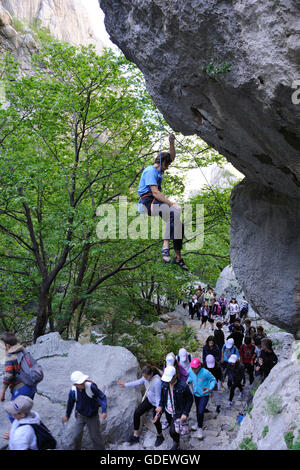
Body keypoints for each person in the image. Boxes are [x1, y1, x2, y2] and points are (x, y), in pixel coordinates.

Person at [137, 134, 187, 270]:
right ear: (162, 163)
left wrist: (171, 142)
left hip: (154, 200)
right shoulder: (150, 171)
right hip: (147, 201)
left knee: (179, 224)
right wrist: (172, 203)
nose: (168, 167)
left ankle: (178, 257)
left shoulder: (159, 171)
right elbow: (155, 193)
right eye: (167, 165)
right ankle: (165, 247)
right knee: (172, 213)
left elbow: (172, 156)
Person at [118, 365, 163, 447]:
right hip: (149, 399)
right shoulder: (145, 377)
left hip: (157, 403)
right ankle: (136, 436)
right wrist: (125, 384)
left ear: (151, 373)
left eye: (146, 377)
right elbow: (138, 382)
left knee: (156, 421)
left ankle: (160, 436)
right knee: (137, 413)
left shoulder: (157, 382)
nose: (145, 378)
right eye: (144, 376)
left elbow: (158, 397)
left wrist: (157, 413)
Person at [62, 370, 107, 450]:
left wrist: (104, 411)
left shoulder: (91, 387)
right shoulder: (73, 391)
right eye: (81, 383)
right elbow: (70, 404)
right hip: (80, 415)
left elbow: (102, 397)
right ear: (75, 384)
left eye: (83, 381)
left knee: (95, 437)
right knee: (76, 436)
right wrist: (67, 415)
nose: (83, 384)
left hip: (92, 416)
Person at [154, 366, 193, 450]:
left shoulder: (183, 386)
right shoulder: (164, 384)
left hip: (178, 411)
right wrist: (160, 406)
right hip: (168, 411)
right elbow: (162, 397)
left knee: (172, 431)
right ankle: (177, 441)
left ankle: (176, 443)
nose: (168, 381)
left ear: (175, 376)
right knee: (174, 428)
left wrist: (185, 413)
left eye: (169, 379)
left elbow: (190, 400)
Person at [0, 332, 37, 422]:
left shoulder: (10, 356)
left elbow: (8, 376)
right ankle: (30, 432)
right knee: (25, 413)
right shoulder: (23, 350)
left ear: (7, 346)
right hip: (31, 386)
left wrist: (3, 392)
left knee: (14, 415)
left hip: (21, 389)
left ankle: (19, 434)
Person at [187, 357, 216, 440]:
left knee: (200, 411)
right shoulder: (190, 370)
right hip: (196, 394)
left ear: (199, 367)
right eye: (192, 368)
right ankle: (198, 422)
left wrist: (210, 388)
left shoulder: (205, 372)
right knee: (197, 410)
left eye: (195, 368)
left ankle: (200, 428)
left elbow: (213, 380)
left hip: (204, 394)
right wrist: (188, 381)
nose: (193, 370)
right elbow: (190, 377)